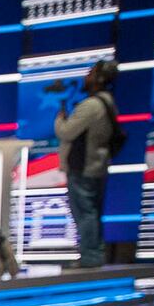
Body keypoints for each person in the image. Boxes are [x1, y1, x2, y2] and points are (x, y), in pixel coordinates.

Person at [54, 59, 120, 269]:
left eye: (90, 73)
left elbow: (66, 132)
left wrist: (60, 118)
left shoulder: (92, 105)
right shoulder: (107, 102)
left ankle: (91, 256)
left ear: (99, 78)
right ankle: (93, 254)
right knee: (91, 212)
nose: (86, 77)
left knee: (85, 213)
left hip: (84, 167)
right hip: (95, 166)